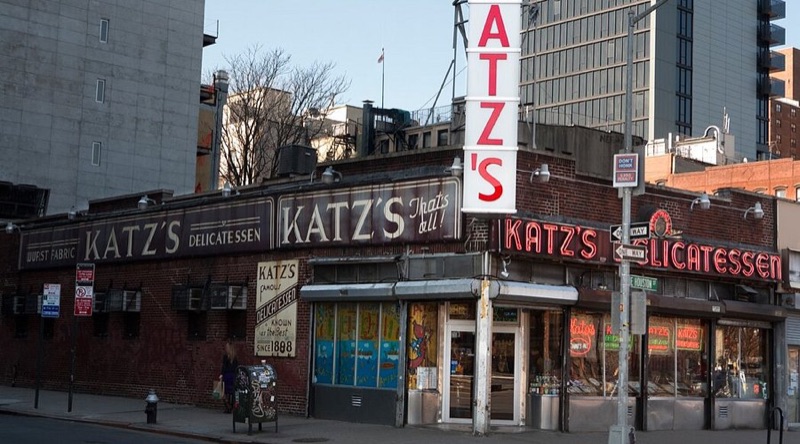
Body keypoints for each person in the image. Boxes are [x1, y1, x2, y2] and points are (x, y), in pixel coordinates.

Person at [219, 342, 238, 413]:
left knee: (224, 392)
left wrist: (221, 374)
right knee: (232, 392)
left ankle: (228, 406)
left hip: (227, 376)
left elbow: (224, 367)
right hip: (232, 376)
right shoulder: (235, 357)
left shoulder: (225, 356)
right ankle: (231, 406)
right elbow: (236, 367)